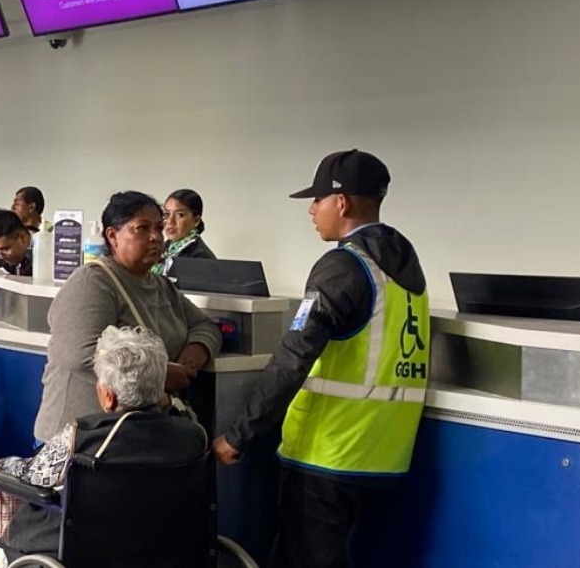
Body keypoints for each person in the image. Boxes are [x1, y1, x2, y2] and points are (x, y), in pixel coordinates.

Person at [212, 150, 430, 568]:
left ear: (342, 202)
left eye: (318, 200)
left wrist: (240, 433)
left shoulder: (343, 268)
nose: (312, 210)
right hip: (384, 456)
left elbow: (294, 356)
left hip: (327, 457)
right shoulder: (405, 265)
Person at [0, 326, 208, 555]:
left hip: (88, 549)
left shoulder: (81, 436)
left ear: (108, 396)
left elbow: (33, 475)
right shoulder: (193, 436)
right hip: (166, 548)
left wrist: (0, 466)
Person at [33, 190, 221, 443]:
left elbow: (205, 325)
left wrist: (196, 352)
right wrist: (161, 374)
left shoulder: (161, 286)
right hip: (81, 439)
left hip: (135, 437)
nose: (156, 237)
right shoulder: (93, 282)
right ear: (113, 236)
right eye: (141, 229)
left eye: (158, 227)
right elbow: (80, 354)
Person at [154, 188, 216, 275]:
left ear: (196, 221)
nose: (170, 221)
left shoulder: (200, 258)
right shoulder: (164, 248)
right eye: (167, 214)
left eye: (180, 215)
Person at [0, 209, 33, 276]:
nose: (0, 256)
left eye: (5, 249)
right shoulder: (0, 255)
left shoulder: (44, 260)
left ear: (23, 238)